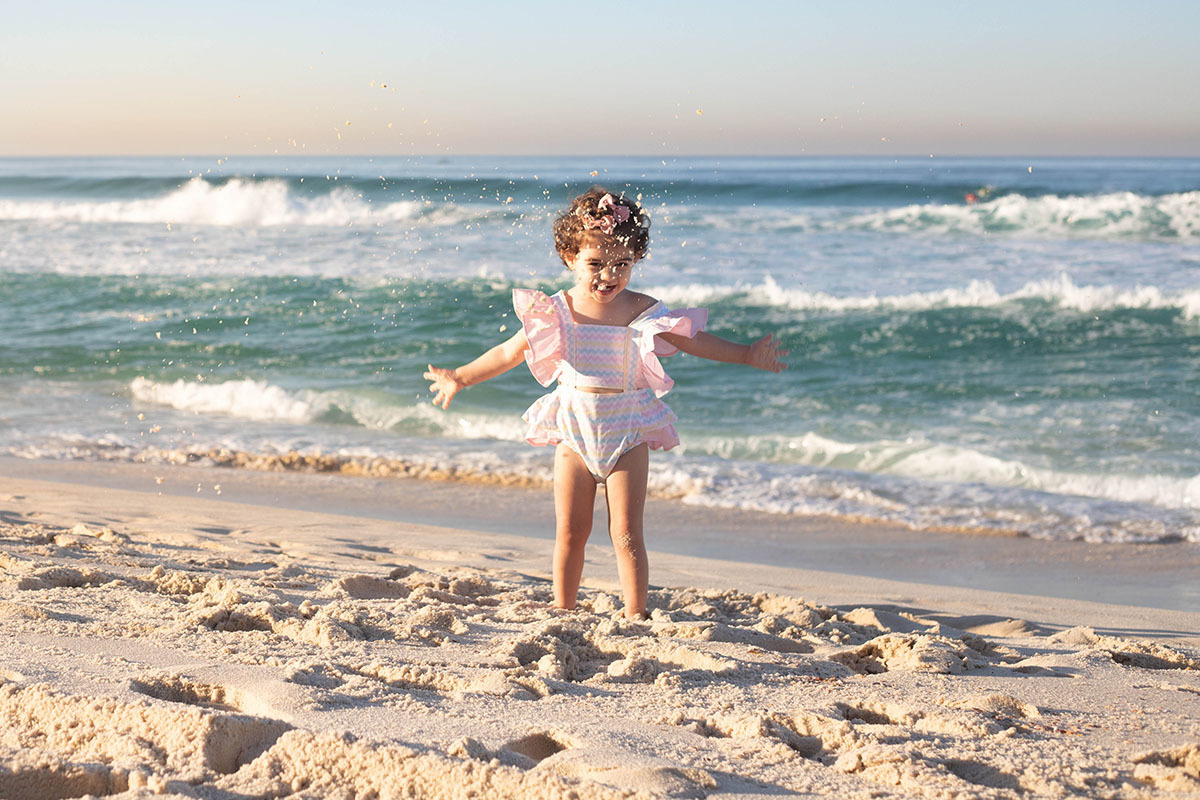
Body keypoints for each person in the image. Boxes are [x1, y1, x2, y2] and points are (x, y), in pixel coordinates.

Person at [424, 186, 788, 619]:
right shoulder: (555, 311)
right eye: (595, 264)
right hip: (574, 430)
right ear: (569, 257)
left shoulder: (644, 311)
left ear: (636, 259)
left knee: (626, 533)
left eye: (622, 264)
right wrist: (460, 377)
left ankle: (635, 612)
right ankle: (563, 606)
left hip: (628, 429)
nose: (608, 275)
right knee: (571, 531)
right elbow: (507, 352)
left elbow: (694, 341)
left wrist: (746, 353)